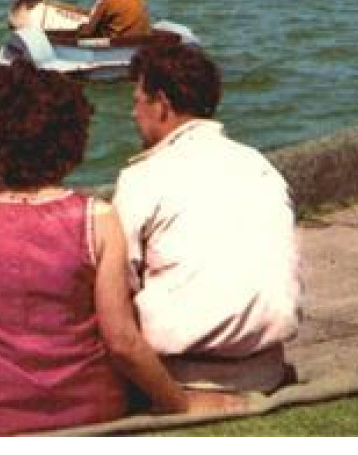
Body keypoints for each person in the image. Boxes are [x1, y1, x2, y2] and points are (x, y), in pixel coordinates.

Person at [0, 61, 239, 436]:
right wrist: (180, 403)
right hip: (91, 417)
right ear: (73, 138)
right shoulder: (97, 220)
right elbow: (122, 341)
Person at [114, 45, 302, 393]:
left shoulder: (142, 179)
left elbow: (118, 284)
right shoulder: (259, 166)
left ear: (162, 105)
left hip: (177, 376)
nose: (132, 113)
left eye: (138, 100)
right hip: (266, 367)